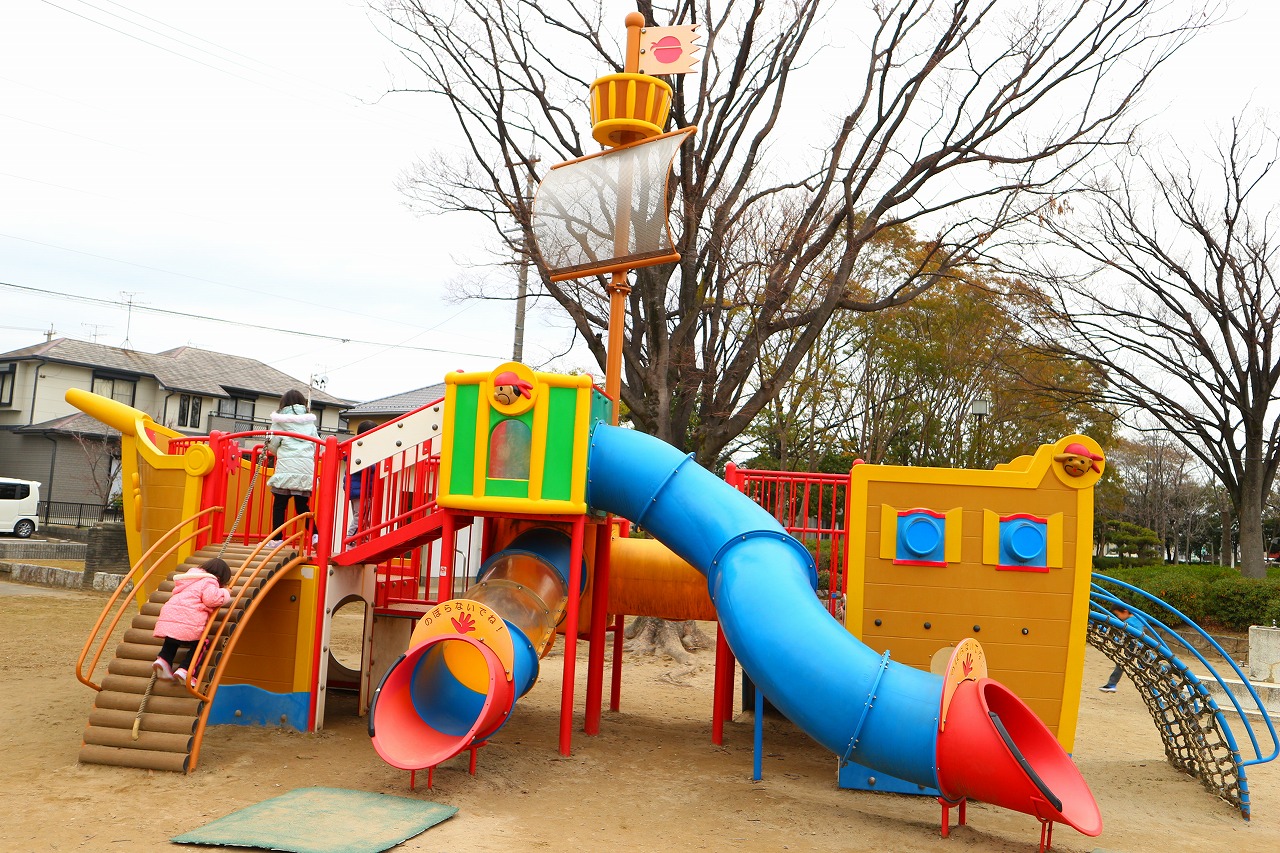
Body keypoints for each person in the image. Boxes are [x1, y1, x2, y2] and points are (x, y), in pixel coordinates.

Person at [152, 557, 232, 686]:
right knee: (200, 643)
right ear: (220, 576)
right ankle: (186, 670)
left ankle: (163, 659)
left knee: (172, 638)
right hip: (189, 618)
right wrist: (225, 592)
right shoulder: (209, 581)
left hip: (170, 614)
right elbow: (211, 599)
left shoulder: (189, 579)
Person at [264, 389, 319, 546]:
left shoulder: (280, 422)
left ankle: (277, 539)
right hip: (305, 470)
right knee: (302, 505)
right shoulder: (309, 423)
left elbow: (273, 447)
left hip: (286, 469)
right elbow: (317, 446)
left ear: (284, 404)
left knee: (280, 505)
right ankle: (315, 535)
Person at [1099, 604, 1146, 692]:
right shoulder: (1138, 618)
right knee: (1144, 669)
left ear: (1125, 611)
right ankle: (1111, 684)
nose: (1118, 617)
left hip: (1134, 647)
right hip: (1137, 647)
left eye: (1118, 614)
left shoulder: (1129, 622)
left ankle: (1111, 684)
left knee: (1122, 664)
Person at [347, 420, 377, 537]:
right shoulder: (358, 449)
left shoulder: (360, 448)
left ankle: (359, 540)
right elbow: (359, 467)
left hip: (360, 490)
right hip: (360, 490)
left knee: (363, 517)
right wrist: (374, 466)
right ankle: (350, 541)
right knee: (360, 518)